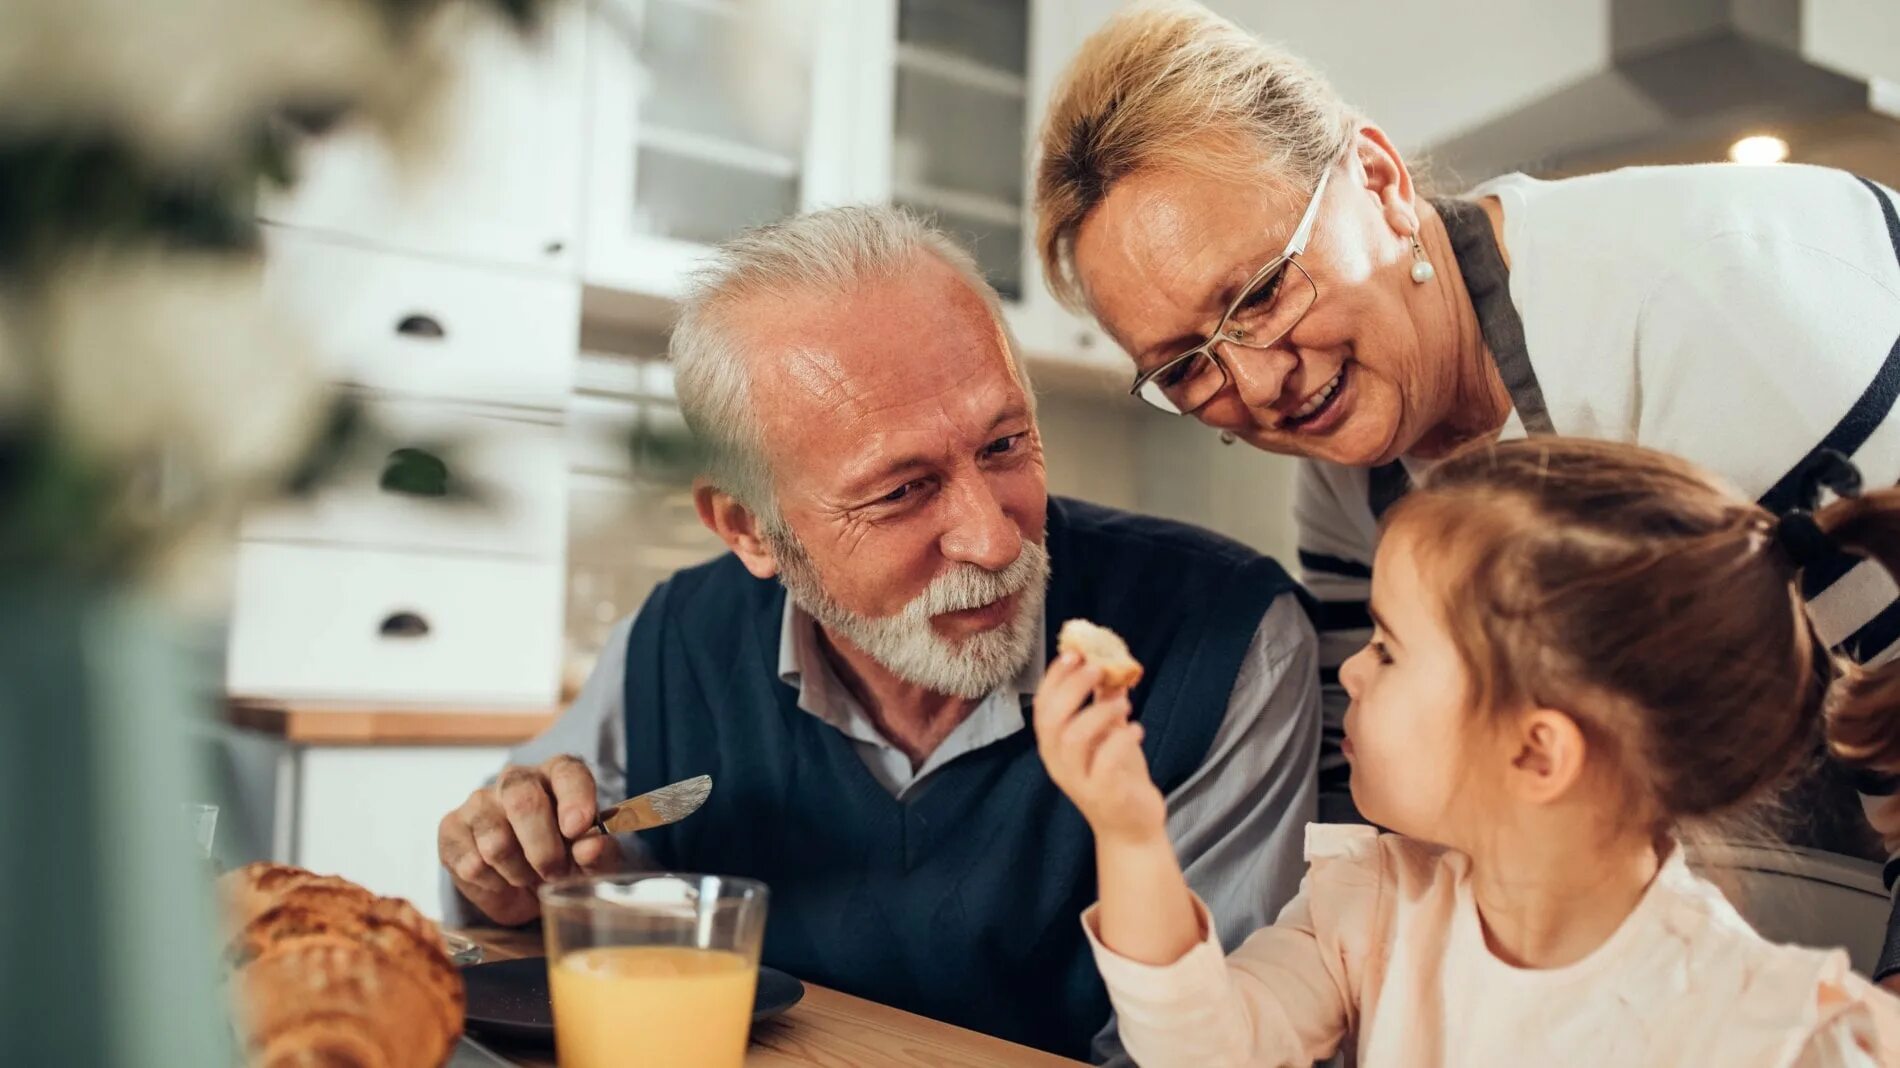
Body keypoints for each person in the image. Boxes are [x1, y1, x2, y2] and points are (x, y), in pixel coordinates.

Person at [1031, 0, 1900, 984]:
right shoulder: (1352, 471)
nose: (1259, 381)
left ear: (1378, 180)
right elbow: (1366, 779)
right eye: (1187, 364)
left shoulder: (1714, 327)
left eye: (1263, 291)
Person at [434, 206, 1322, 1062]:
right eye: (902, 491)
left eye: (1006, 444)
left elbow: (1215, 1050)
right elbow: (517, 908)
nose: (995, 537)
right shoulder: (674, 643)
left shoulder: (1229, 641)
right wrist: (503, 868)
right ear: (747, 528)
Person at [1036, 436, 1900, 1066]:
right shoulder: (1373, 905)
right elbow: (1201, 1052)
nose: (1356, 676)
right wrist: (1130, 835)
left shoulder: (1769, 1033)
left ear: (1536, 753)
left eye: (1387, 648)